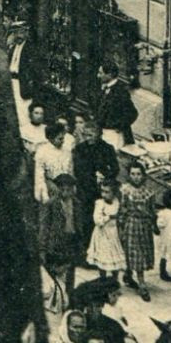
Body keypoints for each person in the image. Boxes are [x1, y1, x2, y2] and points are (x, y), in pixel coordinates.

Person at [38, 174, 86, 312]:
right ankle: (55, 300)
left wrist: (80, 245)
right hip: (56, 244)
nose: (65, 192)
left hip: (71, 242)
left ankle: (68, 302)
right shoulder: (51, 204)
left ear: (73, 189)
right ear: (58, 189)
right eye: (62, 189)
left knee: (70, 273)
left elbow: (79, 225)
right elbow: (44, 227)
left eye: (69, 189)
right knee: (56, 275)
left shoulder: (77, 204)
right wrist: (42, 249)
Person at [118, 161, 158, 300]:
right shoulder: (125, 190)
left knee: (141, 252)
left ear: (143, 175)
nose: (136, 177)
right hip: (131, 224)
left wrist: (154, 224)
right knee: (133, 252)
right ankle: (141, 284)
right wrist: (121, 227)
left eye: (138, 174)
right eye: (133, 174)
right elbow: (122, 209)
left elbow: (153, 210)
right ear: (129, 175)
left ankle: (130, 276)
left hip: (144, 225)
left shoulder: (148, 192)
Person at [86, 177, 128, 283]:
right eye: (102, 191)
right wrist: (108, 217)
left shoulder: (116, 202)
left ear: (114, 193)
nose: (104, 194)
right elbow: (97, 220)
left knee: (114, 257)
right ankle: (103, 280)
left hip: (113, 233)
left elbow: (119, 215)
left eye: (107, 192)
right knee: (103, 258)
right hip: (102, 234)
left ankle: (114, 281)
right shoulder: (100, 203)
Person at [96, 63, 138, 146]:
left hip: (113, 135)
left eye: (101, 73)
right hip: (102, 131)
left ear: (110, 75)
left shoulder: (120, 91)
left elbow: (133, 113)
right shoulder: (104, 87)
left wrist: (119, 126)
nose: (98, 76)